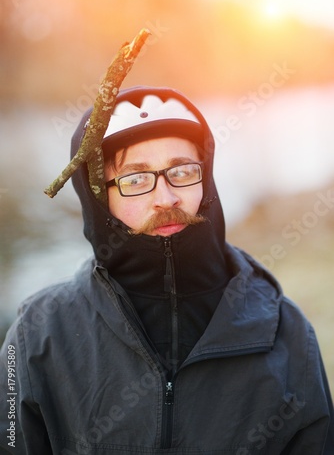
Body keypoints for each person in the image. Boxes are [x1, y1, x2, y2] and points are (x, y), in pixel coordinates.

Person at [0, 85, 333, 454]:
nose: (166, 198)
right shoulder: (38, 335)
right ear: (97, 197)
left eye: (182, 170)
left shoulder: (286, 331)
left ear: (205, 179)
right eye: (135, 179)